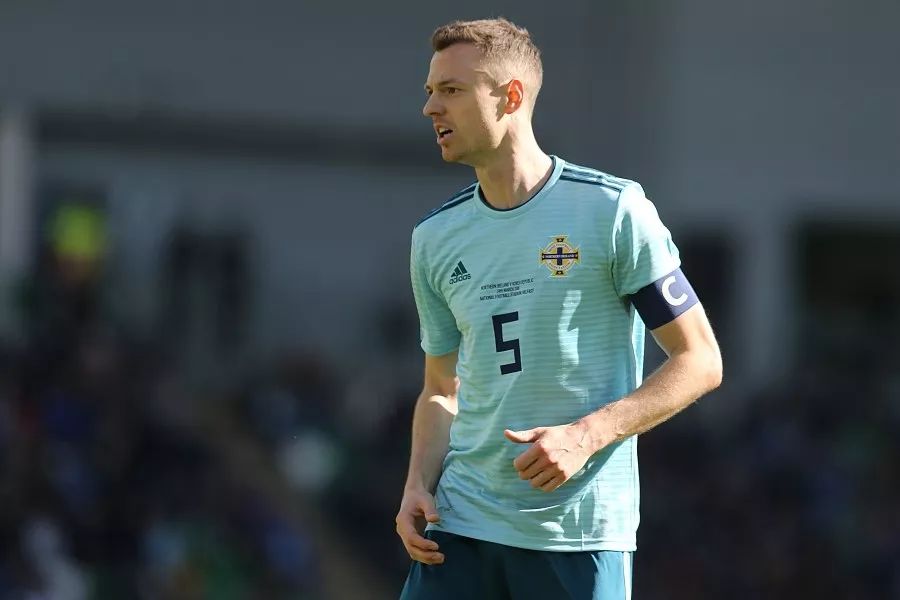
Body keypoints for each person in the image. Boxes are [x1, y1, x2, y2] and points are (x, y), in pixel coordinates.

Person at [396, 17, 722, 600]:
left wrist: (586, 436)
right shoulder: (435, 238)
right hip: (460, 528)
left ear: (511, 97)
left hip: (576, 535)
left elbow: (700, 360)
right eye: (430, 91)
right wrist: (417, 482)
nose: (429, 108)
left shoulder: (613, 211)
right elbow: (441, 389)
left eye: (451, 90)